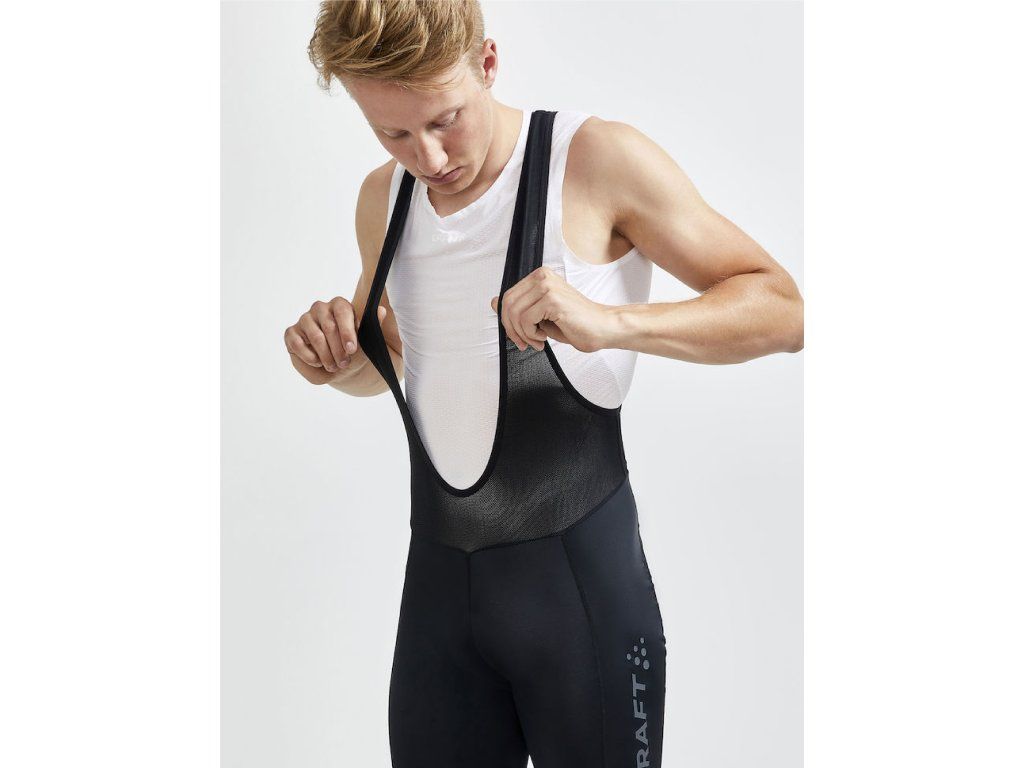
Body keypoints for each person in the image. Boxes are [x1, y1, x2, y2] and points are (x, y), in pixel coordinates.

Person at [283, 2, 803, 766]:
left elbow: (784, 310)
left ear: (488, 63)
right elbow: (399, 359)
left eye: (446, 119)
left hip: (581, 605)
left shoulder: (593, 161)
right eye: (394, 133)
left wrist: (613, 323)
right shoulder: (382, 199)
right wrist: (334, 362)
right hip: (438, 609)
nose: (429, 156)